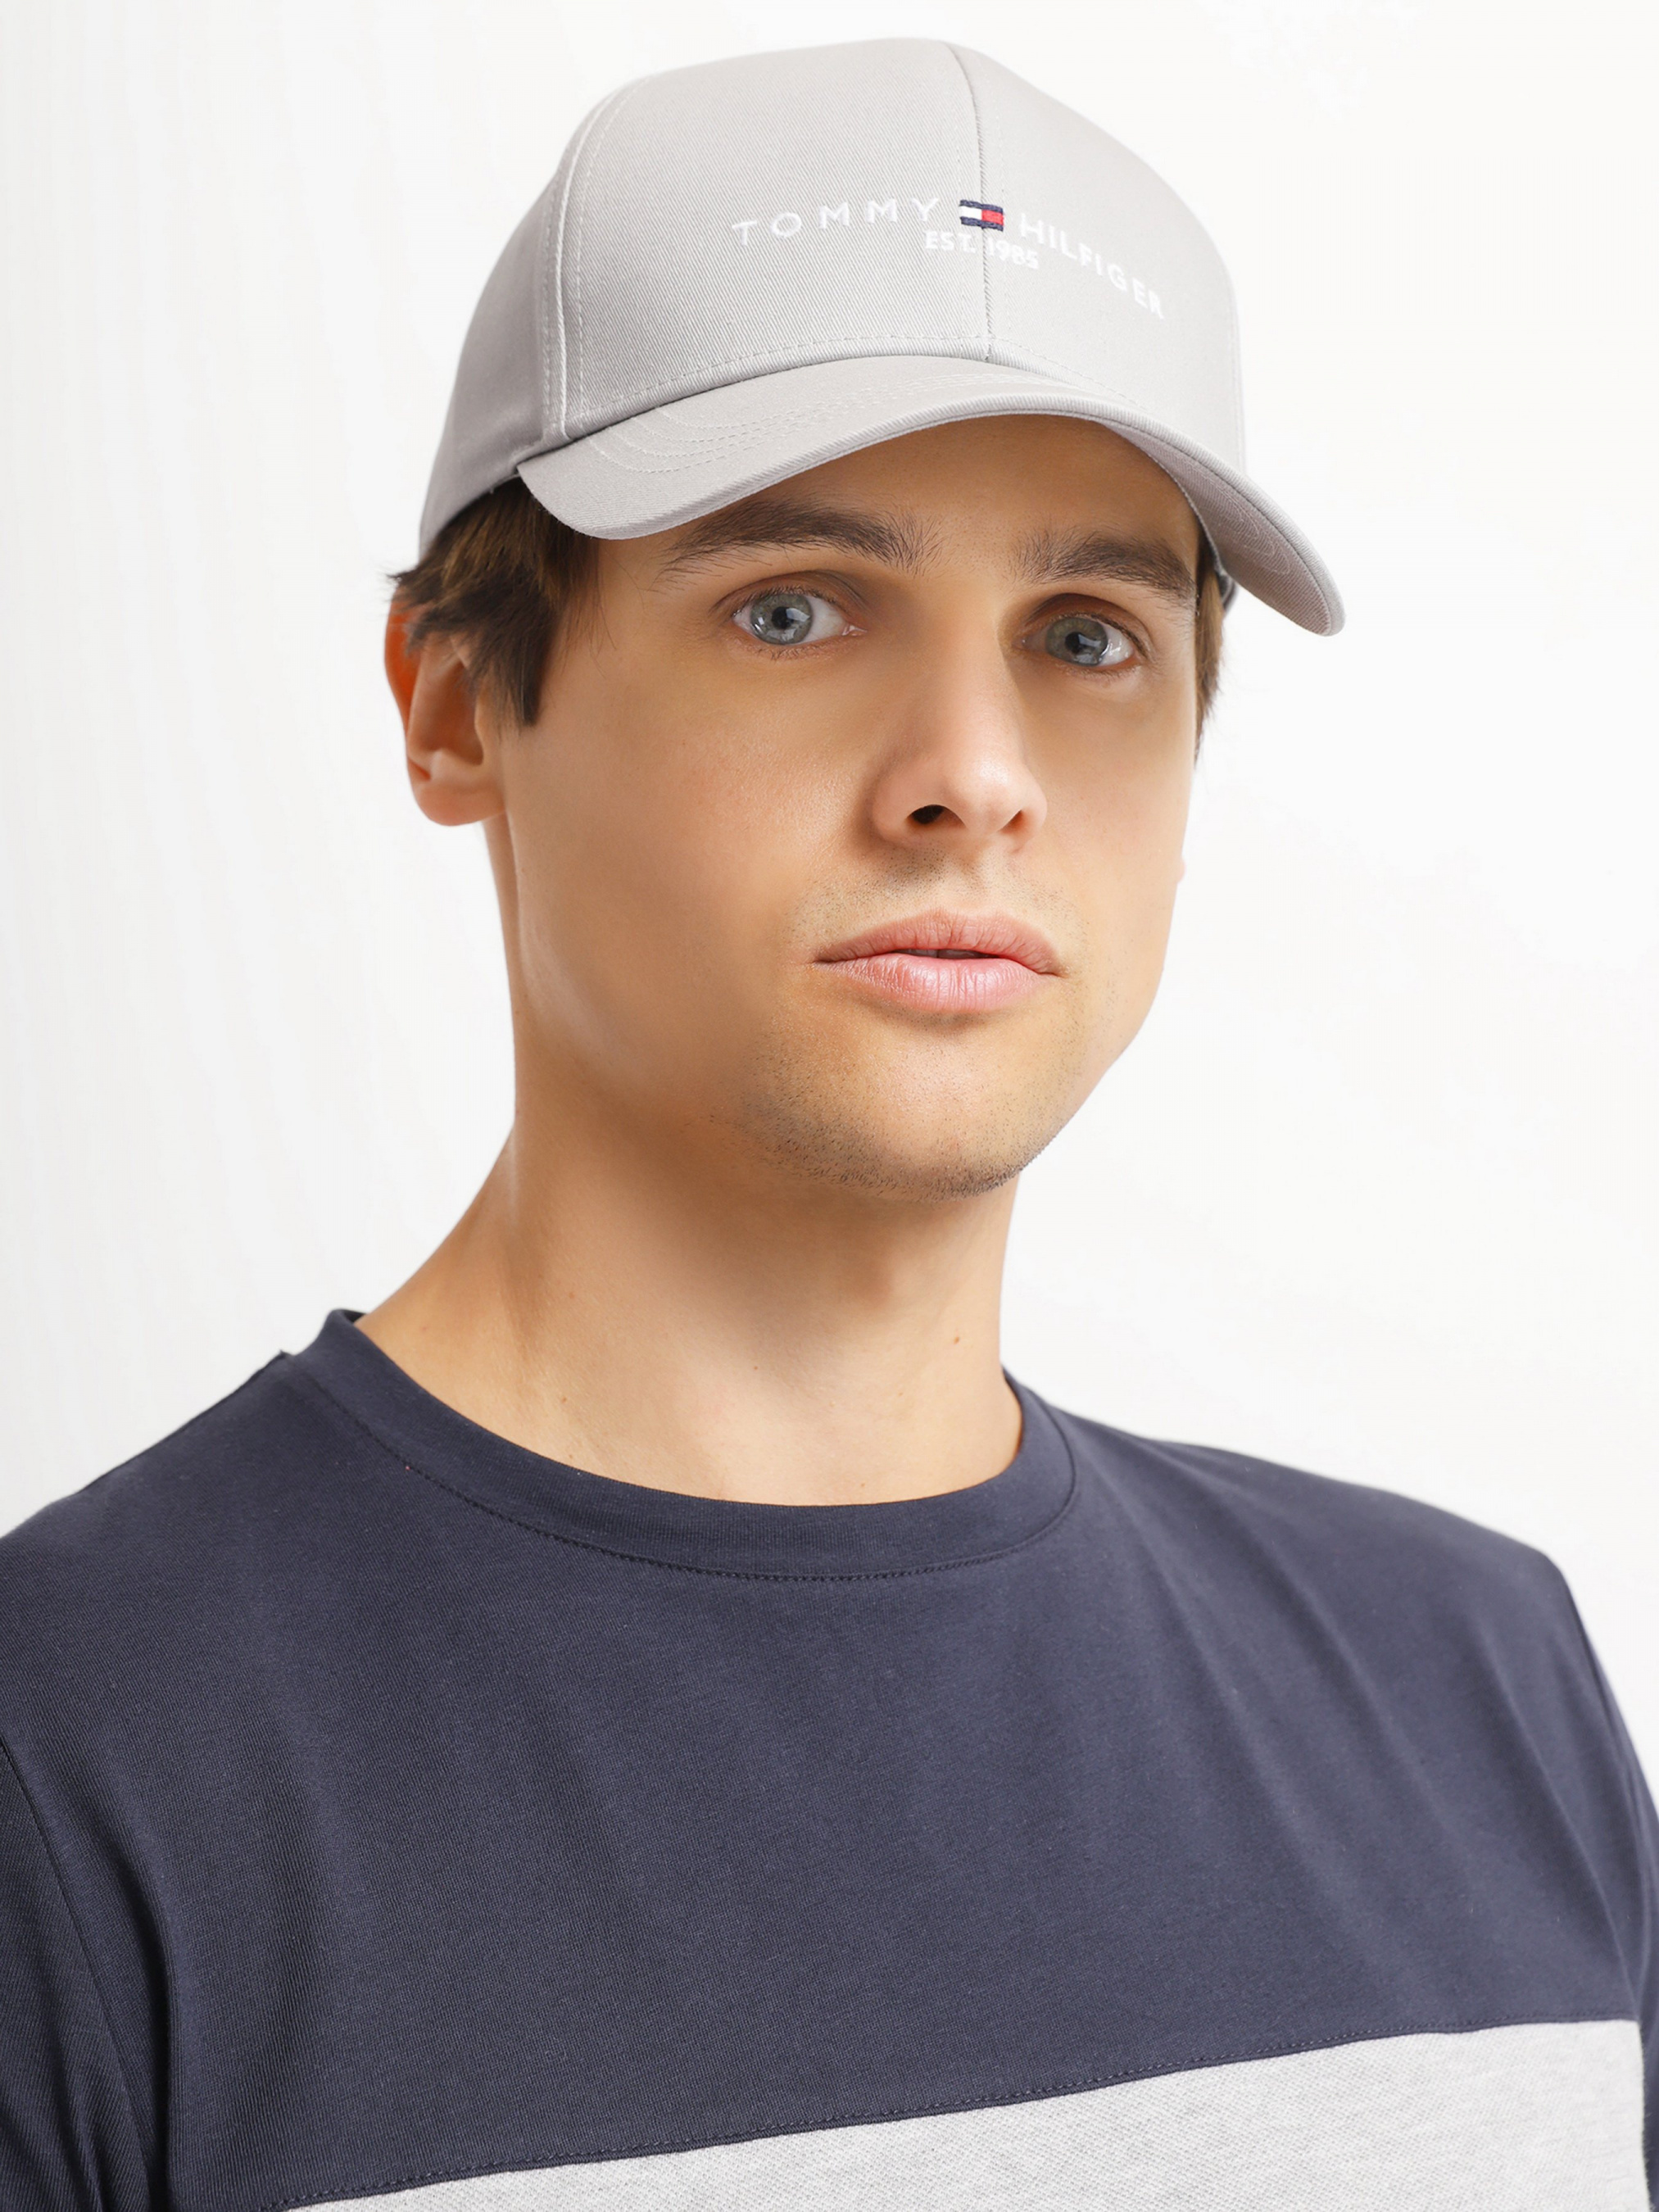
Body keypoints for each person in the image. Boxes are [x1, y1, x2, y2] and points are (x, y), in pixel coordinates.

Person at [1, 37, 1652, 2212]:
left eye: (1087, 635)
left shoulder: (1486, 1693)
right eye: (791, 607)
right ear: (456, 702)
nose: (974, 772)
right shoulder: (72, 1771)